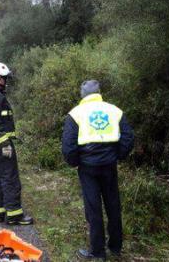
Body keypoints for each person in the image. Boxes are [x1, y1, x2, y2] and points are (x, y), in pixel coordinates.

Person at [62, 80, 134, 260]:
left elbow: (68, 145)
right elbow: (128, 137)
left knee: (93, 209)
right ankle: (116, 248)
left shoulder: (75, 114)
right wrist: (118, 156)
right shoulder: (114, 110)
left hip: (88, 167)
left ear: (83, 95)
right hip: (110, 165)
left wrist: (75, 162)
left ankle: (98, 252)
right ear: (99, 92)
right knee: (113, 206)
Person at [0, 62, 33, 225]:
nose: (6, 81)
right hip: (0, 145)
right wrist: (5, 143)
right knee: (10, 178)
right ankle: (15, 215)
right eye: (4, 78)